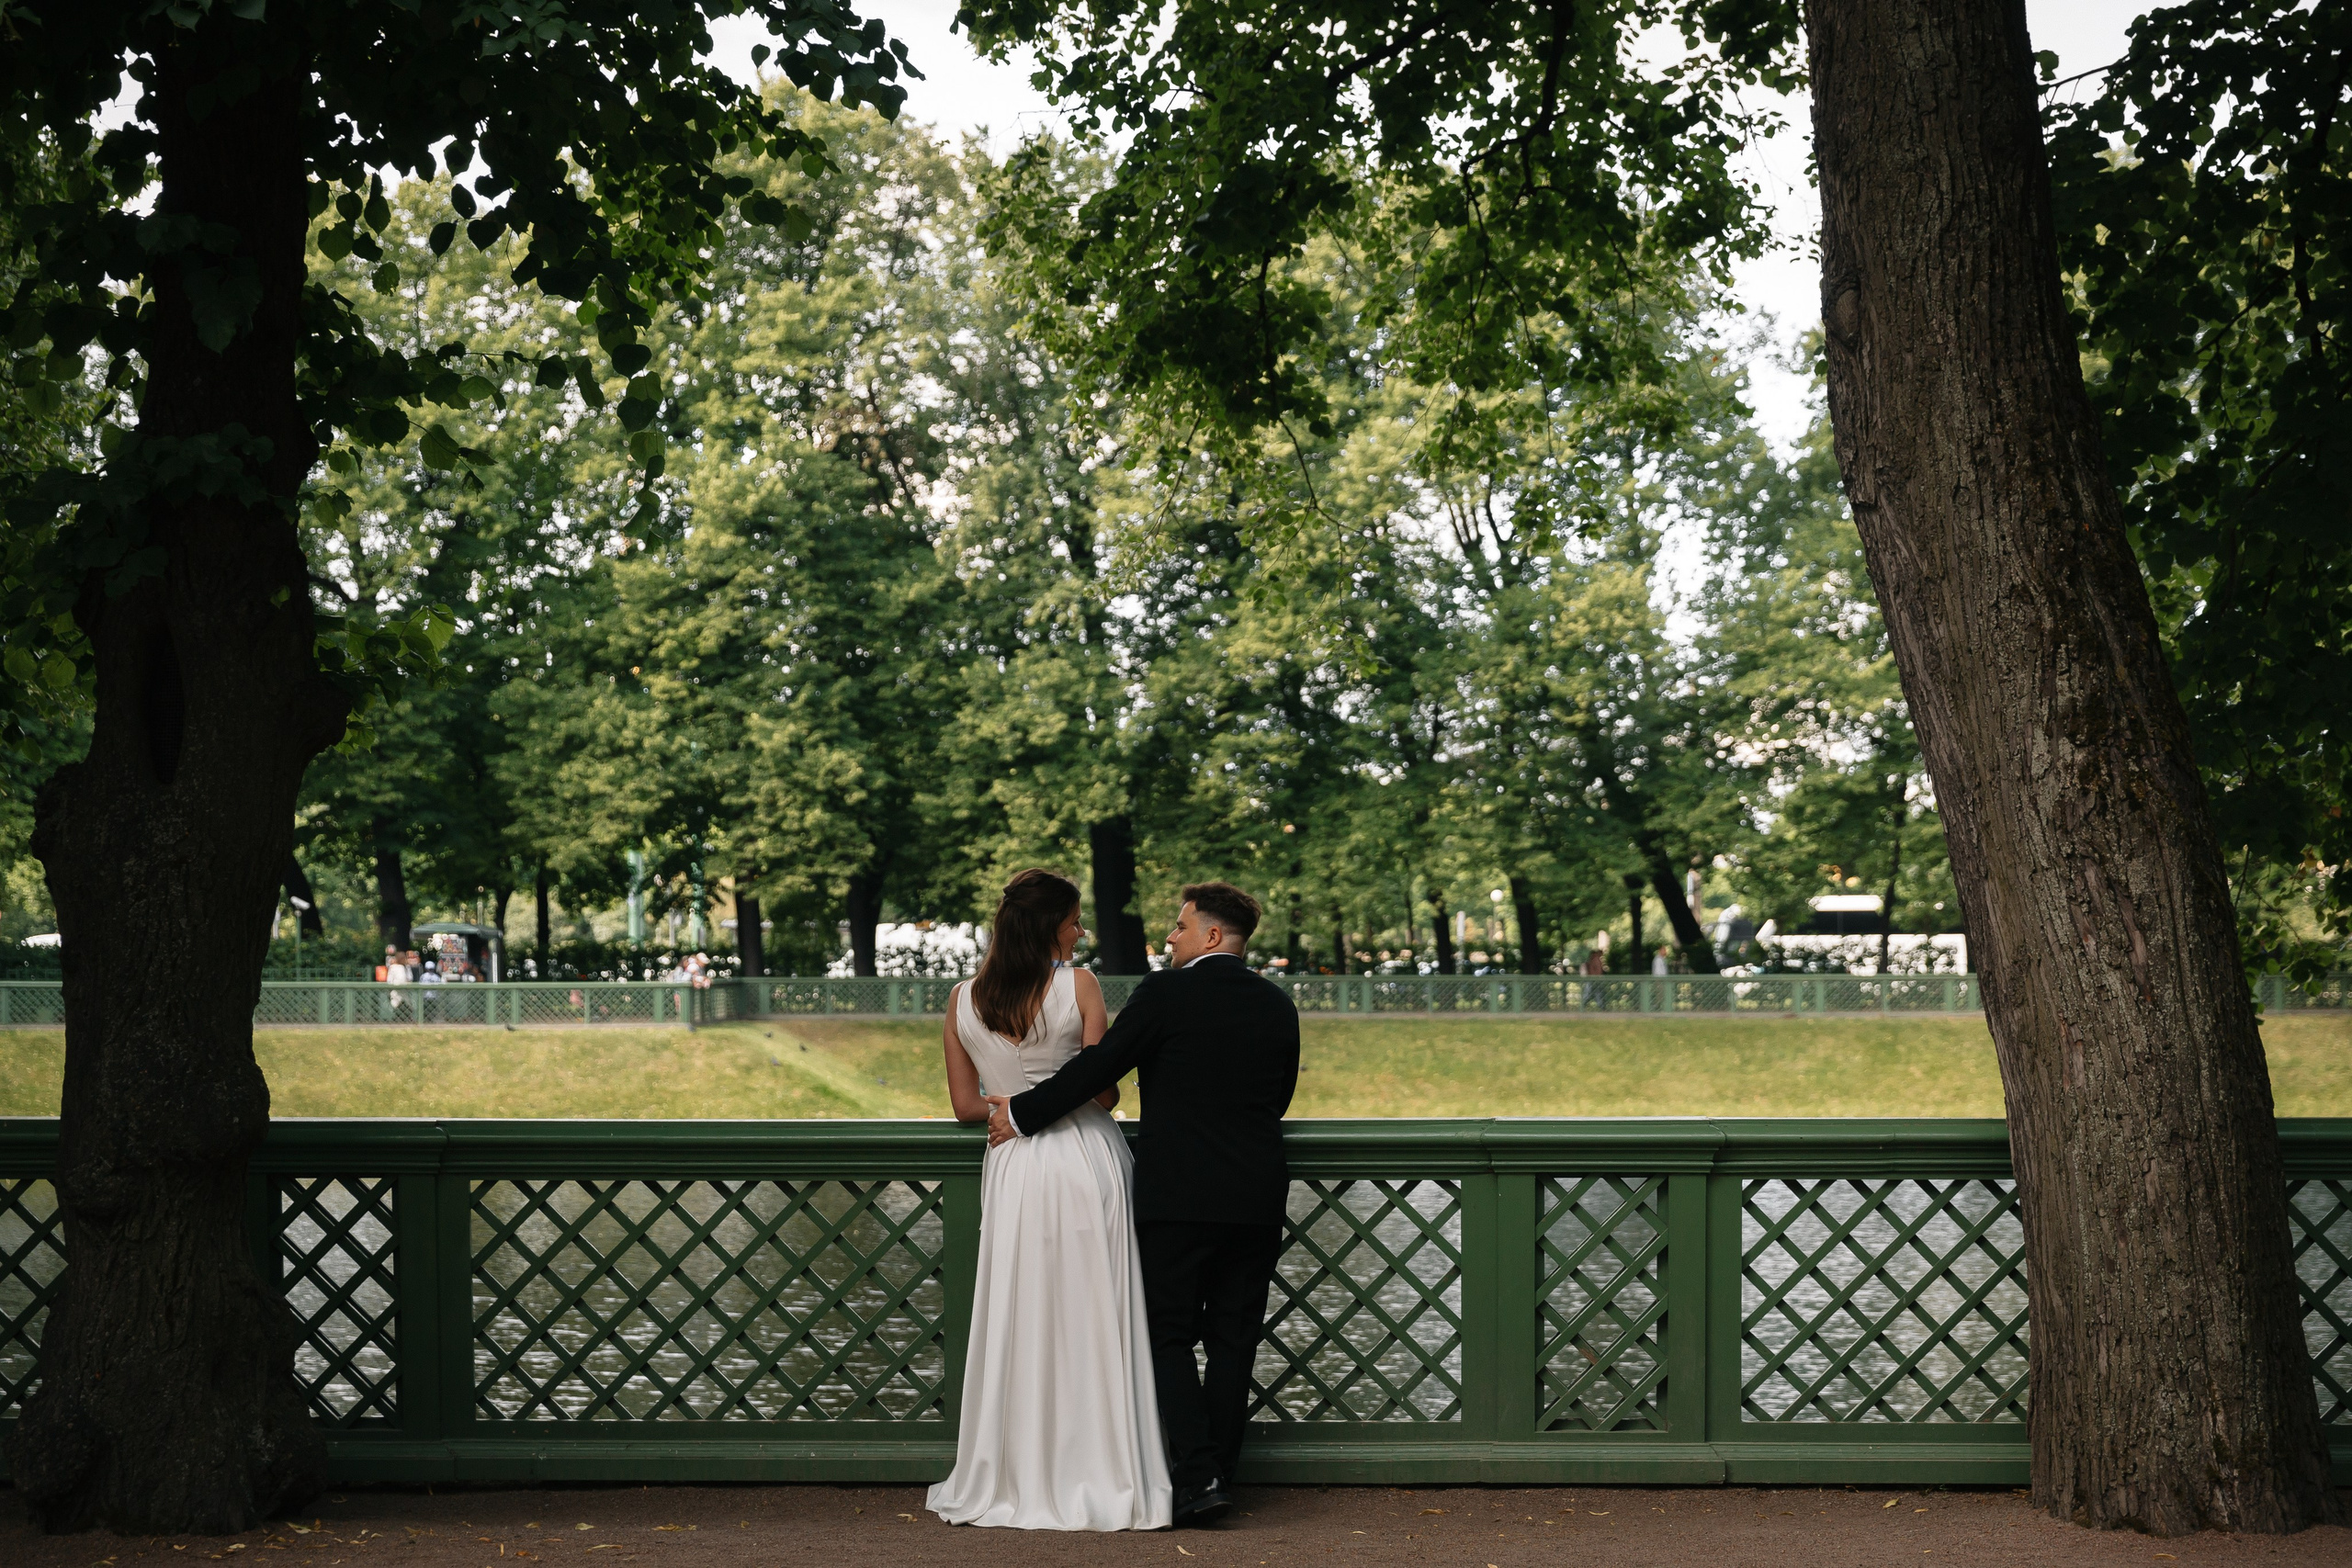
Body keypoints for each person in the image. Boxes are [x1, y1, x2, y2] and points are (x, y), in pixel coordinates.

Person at [984, 881, 1301, 1529]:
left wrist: (1022, 1111)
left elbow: (1097, 1069)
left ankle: (1197, 1474)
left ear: (1212, 935)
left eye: (1181, 927)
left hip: (1176, 1195)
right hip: (1255, 1193)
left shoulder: (1164, 994)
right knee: (1235, 1338)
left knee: (1169, 1335)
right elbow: (1280, 1096)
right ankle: (1220, 1474)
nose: (1170, 938)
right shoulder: (1278, 1005)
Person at [926, 870, 1169, 1531]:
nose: (1082, 931)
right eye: (1074, 920)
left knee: (1020, 1310)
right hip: (1085, 1159)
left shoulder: (959, 1000)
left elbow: (964, 1107)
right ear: (1049, 926)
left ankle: (1015, 1470)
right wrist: (1051, 1095)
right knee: (1095, 1310)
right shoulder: (1079, 985)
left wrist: (1012, 1102)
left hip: (1013, 1165)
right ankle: (1105, 1466)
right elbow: (1102, 1092)